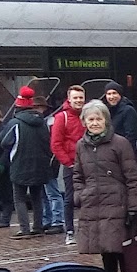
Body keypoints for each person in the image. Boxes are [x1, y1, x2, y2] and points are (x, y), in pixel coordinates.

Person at [73, 99, 137, 272]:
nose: (95, 123)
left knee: (122, 250)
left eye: (98, 119)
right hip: (93, 204)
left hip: (117, 204)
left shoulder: (120, 143)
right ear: (84, 122)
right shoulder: (81, 145)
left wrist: (134, 207)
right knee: (106, 250)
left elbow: (132, 177)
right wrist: (80, 195)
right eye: (90, 119)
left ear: (106, 120)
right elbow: (77, 175)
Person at [4, 86, 54, 237]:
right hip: (40, 165)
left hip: (20, 164)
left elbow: (4, 141)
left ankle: (24, 229)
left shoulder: (15, 123)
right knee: (37, 197)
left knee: (19, 198)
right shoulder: (42, 122)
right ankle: (38, 227)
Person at [50, 84, 86, 245]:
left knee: (89, 198)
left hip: (88, 164)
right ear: (69, 99)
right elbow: (56, 144)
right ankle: (70, 231)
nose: (78, 100)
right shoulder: (61, 117)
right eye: (75, 98)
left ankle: (87, 230)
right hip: (71, 165)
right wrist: (68, 163)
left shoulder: (88, 115)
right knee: (70, 199)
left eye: (81, 98)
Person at [98, 81, 137, 145]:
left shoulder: (128, 110)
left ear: (120, 94)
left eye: (114, 93)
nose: (112, 97)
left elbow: (131, 135)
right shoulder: (106, 110)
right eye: (109, 94)